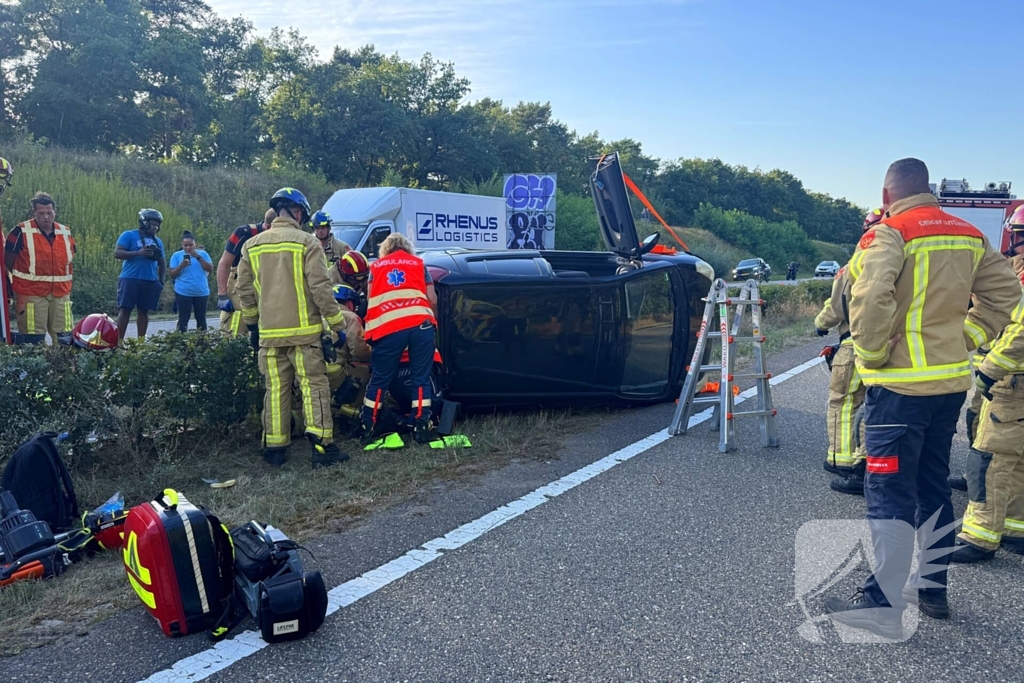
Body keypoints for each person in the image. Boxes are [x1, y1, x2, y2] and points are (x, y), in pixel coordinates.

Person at [824, 158, 1019, 635]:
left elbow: (868, 300)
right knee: (931, 487)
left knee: (889, 490)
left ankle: (879, 604)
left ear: (888, 195)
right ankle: (932, 589)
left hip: (898, 390)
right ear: (928, 190)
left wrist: (870, 354)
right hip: (948, 387)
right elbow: (1007, 294)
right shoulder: (969, 234)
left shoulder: (889, 233)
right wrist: (968, 337)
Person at [235, 188, 350, 469]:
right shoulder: (307, 243)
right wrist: (337, 325)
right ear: (298, 212)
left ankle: (275, 448)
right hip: (305, 335)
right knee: (314, 387)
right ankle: (322, 447)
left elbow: (243, 290)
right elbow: (321, 289)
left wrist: (252, 327)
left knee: (275, 390)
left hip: (269, 337)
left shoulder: (252, 245)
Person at [949, 205, 1024, 563]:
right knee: (1018, 460)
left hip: (1014, 384)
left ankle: (980, 536)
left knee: (990, 459)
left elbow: (1020, 331)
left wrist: (990, 370)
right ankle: (1013, 527)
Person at [814, 208, 885, 495]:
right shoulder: (909, 261)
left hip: (854, 343)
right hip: (892, 347)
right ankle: (871, 462)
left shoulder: (856, 264)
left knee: (844, 402)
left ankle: (843, 461)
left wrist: (819, 324)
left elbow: (837, 306)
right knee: (877, 405)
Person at [361, 233, 438, 444]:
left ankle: (368, 424)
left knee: (380, 378)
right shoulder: (418, 264)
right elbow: (432, 299)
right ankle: (421, 425)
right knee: (421, 377)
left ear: (385, 250)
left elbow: (370, 299)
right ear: (407, 248)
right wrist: (433, 322)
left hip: (389, 327)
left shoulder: (375, 267)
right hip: (421, 325)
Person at [5, 192, 76, 344]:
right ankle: (35, 368)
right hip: (31, 294)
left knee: (65, 337)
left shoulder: (65, 232)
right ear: (34, 213)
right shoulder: (20, 231)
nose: (46, 217)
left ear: (54, 212)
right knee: (33, 339)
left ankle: (63, 368)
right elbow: (7, 260)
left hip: (61, 294)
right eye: (41, 213)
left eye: (49, 213)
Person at [216, 209, 275, 336]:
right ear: (268, 226)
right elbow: (224, 263)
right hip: (239, 289)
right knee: (233, 333)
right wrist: (222, 295)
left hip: (265, 289)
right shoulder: (245, 233)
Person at [114, 209, 166, 341]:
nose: (155, 227)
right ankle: (118, 342)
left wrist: (161, 281)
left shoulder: (157, 241)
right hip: (130, 278)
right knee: (125, 310)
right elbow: (117, 253)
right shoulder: (129, 235)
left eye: (157, 225)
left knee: (144, 311)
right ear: (144, 222)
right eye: (152, 224)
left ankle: (140, 343)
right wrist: (138, 253)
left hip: (149, 280)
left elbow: (162, 262)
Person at [167, 230, 213, 332]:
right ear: (182, 245)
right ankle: (180, 343)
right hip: (183, 292)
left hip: (201, 292)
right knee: (183, 319)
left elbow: (210, 268)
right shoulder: (177, 255)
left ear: (195, 244)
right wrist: (181, 266)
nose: (188, 248)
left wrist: (198, 257)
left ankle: (202, 342)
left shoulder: (203, 254)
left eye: (190, 245)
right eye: (185, 245)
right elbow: (172, 274)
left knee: (201, 319)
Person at [333, 249, 370, 316]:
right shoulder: (330, 280)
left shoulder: (360, 275)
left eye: (365, 276)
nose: (361, 281)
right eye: (359, 278)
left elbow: (369, 290)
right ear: (345, 275)